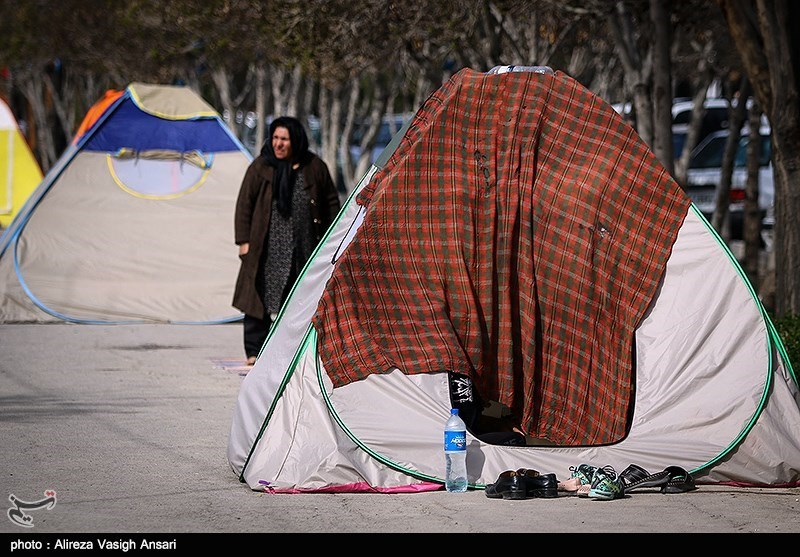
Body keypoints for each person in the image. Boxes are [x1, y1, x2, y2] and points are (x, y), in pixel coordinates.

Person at [233, 116, 341, 366]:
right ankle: (254, 349)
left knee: (295, 299)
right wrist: (243, 241)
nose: (278, 144)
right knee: (258, 298)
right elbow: (244, 204)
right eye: (275, 138)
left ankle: (287, 351)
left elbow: (331, 203)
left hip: (302, 246)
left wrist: (334, 237)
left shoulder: (314, 167)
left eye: (284, 139)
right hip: (266, 246)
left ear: (296, 141)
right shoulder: (261, 167)